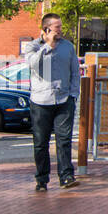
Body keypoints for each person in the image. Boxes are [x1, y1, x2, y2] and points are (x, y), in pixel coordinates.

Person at [22, 13, 81, 192]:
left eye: (61, 27)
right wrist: (48, 45)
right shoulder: (32, 47)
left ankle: (66, 176)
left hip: (64, 100)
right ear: (46, 29)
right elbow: (32, 64)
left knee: (64, 140)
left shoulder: (68, 47)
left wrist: (73, 95)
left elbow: (75, 72)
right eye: (57, 27)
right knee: (41, 142)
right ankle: (41, 179)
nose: (61, 30)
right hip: (40, 101)